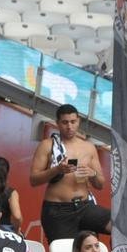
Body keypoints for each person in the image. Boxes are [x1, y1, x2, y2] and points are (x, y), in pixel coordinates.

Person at [30, 104, 109, 243]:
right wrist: (57, 170)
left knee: (120, 226)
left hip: (85, 206)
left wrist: (92, 174)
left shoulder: (88, 147)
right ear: (57, 123)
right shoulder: (47, 145)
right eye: (65, 122)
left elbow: (100, 184)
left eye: (73, 122)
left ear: (78, 122)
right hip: (58, 210)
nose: (69, 126)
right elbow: (34, 180)